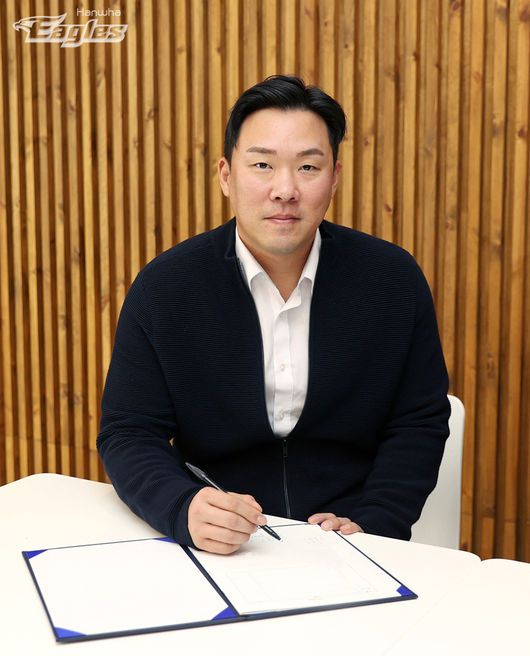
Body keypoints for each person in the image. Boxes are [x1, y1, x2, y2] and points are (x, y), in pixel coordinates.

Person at [97, 75, 450, 555]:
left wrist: (375, 521)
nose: (285, 189)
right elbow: (129, 431)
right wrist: (182, 506)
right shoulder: (166, 288)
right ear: (226, 175)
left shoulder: (391, 281)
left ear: (334, 176)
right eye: (262, 164)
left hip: (352, 540)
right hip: (221, 541)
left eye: (308, 167)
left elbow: (419, 421)